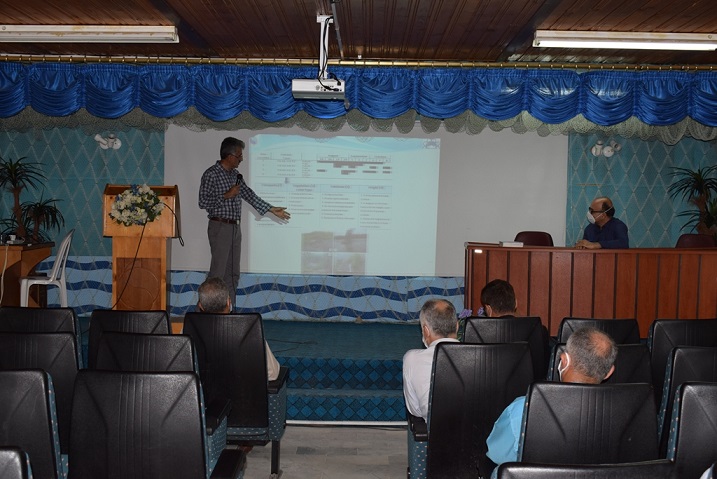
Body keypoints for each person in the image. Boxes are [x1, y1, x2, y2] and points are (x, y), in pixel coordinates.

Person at [486, 327, 617, 470]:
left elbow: (497, 454)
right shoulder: (621, 413)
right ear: (609, 372)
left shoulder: (523, 409)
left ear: (564, 360)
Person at [198, 137, 290, 293]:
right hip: (220, 226)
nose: (241, 159)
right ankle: (208, 307)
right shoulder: (211, 174)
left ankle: (230, 306)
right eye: (239, 155)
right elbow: (202, 202)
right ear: (230, 156)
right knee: (218, 273)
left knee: (233, 274)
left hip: (235, 228)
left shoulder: (235, 175)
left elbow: (249, 195)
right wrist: (226, 195)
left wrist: (271, 209)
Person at [197, 276, 280, 381]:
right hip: (245, 391)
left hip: (203, 391)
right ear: (229, 302)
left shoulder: (188, 330)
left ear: (201, 306)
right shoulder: (250, 330)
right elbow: (272, 373)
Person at [402, 299, 460, 421]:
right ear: (457, 326)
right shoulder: (480, 356)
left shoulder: (412, 359)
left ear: (426, 331)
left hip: (437, 430)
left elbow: (415, 410)